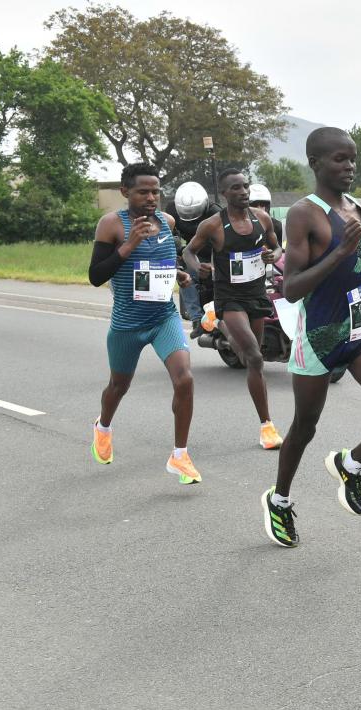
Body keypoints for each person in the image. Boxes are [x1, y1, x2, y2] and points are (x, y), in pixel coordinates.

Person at [260, 127, 361, 548]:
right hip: (319, 335)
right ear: (315, 163)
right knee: (304, 427)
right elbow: (292, 287)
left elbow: (354, 269)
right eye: (339, 160)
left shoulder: (360, 208)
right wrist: (341, 254)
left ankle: (351, 464)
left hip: (360, 329)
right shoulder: (303, 214)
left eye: (352, 159)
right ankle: (280, 499)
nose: (349, 167)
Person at [87, 162, 201, 484]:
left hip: (163, 316)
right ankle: (103, 426)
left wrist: (177, 274)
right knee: (118, 387)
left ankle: (180, 456)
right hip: (128, 324)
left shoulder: (167, 222)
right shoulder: (111, 225)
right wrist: (129, 244)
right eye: (143, 191)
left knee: (185, 379)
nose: (151, 197)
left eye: (155, 191)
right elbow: (96, 276)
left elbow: (160, 263)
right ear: (125, 192)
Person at [182, 169, 284, 450]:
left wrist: (271, 255)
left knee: (250, 356)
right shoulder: (212, 225)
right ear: (225, 194)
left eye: (245, 186)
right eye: (236, 188)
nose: (243, 192)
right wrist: (197, 266)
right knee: (253, 356)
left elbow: (278, 248)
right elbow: (188, 252)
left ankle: (219, 326)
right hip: (230, 297)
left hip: (256, 294)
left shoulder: (262, 219)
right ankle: (267, 427)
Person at [165, 181, 219, 335]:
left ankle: (219, 313)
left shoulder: (215, 212)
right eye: (186, 214)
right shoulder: (171, 211)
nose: (190, 217)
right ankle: (197, 319)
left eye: (194, 213)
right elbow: (169, 235)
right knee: (184, 275)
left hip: (214, 252)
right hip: (189, 251)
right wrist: (178, 251)